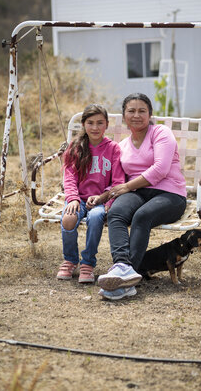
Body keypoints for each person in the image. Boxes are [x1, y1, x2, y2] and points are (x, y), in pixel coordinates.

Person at [98, 93, 187, 300]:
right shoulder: (122, 146)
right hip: (138, 192)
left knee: (142, 216)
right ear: (124, 115)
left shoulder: (161, 133)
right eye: (131, 111)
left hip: (170, 194)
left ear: (150, 114)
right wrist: (106, 198)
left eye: (141, 111)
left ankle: (128, 274)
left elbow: (160, 170)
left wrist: (127, 187)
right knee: (118, 212)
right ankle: (121, 266)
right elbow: (117, 179)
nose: (136, 115)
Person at [57, 104, 125, 283]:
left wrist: (107, 202)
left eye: (100, 123)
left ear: (107, 125)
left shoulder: (113, 149)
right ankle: (70, 259)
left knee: (95, 218)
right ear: (83, 124)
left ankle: (88, 262)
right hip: (78, 199)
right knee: (69, 218)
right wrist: (72, 199)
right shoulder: (75, 147)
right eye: (90, 123)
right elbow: (69, 177)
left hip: (101, 200)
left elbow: (118, 182)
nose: (95, 127)